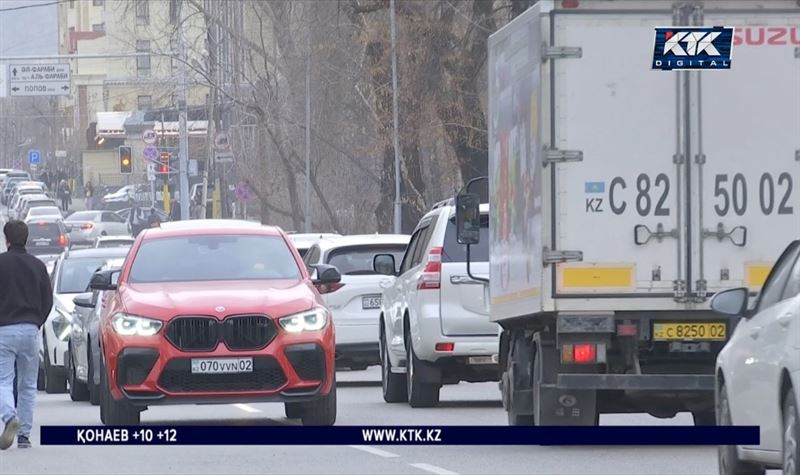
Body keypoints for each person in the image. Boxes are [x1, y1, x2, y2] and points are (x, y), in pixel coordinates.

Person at [0, 221, 53, 449]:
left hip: (4, 330)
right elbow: (47, 299)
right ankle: (24, 435)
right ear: (27, 238)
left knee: (3, 380)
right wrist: (37, 321)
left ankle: (9, 417)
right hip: (31, 329)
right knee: (28, 384)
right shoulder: (37, 265)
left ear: (7, 240)